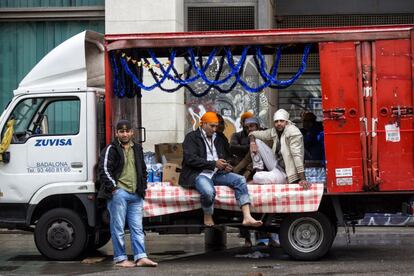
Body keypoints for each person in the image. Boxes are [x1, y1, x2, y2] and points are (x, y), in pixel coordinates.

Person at [179, 111, 263, 227]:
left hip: (218, 173)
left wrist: (227, 164)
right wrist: (214, 164)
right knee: (208, 192)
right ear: (203, 124)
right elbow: (190, 159)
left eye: (216, 126)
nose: (214, 129)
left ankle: (247, 216)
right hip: (200, 174)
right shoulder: (191, 137)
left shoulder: (220, 137)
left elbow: (228, 156)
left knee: (240, 180)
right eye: (212, 126)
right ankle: (207, 215)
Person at [98, 119, 158, 268]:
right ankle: (120, 259)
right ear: (116, 133)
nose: (124, 134)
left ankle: (141, 257)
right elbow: (104, 170)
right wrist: (114, 189)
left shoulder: (137, 148)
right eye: (121, 131)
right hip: (119, 193)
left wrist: (142, 187)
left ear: (132, 132)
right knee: (118, 227)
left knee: (137, 228)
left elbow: (143, 170)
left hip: (136, 194)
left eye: (127, 131)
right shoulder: (110, 149)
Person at [249, 109, 310, 189]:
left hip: (286, 174)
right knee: (257, 141)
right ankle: (259, 169)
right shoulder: (274, 131)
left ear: (287, 122)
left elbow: (297, 156)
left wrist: (302, 179)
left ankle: (283, 180)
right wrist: (252, 143)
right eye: (276, 121)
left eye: (281, 121)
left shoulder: (293, 132)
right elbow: (253, 134)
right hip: (276, 165)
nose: (279, 124)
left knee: (257, 177)